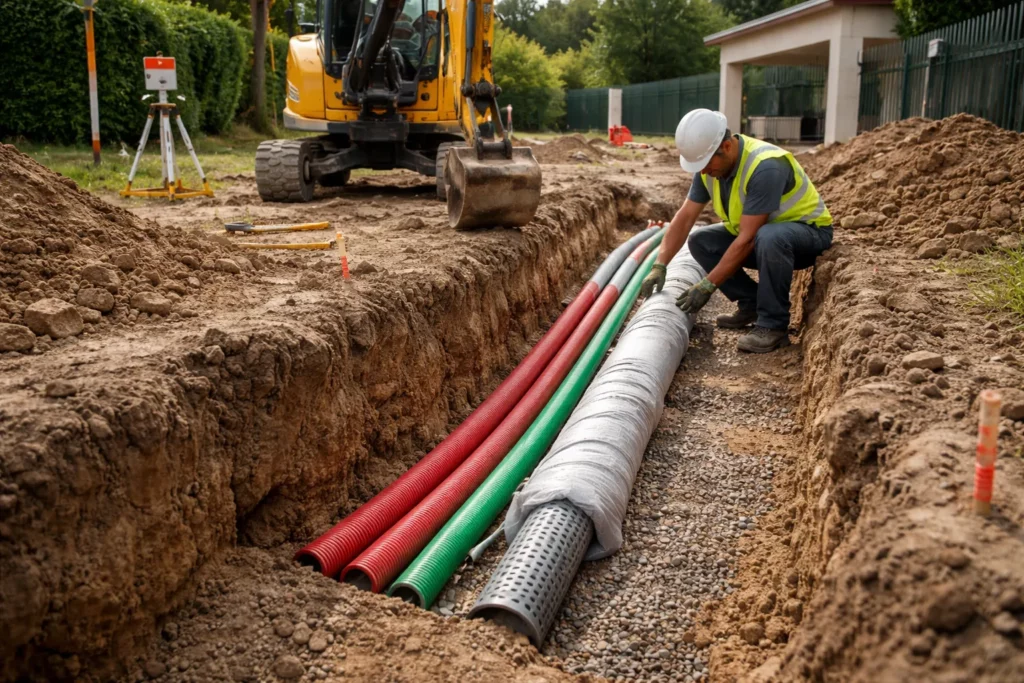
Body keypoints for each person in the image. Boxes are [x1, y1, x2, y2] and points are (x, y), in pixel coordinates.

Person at [640, 109, 834, 353]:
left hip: (807, 236)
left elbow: (749, 237)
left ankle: (773, 325)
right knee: (702, 241)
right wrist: (660, 265)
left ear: (727, 147)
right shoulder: (708, 167)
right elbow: (685, 217)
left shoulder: (765, 166)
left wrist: (707, 286)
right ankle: (752, 303)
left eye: (707, 163)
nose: (703, 171)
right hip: (765, 239)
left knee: (769, 235)